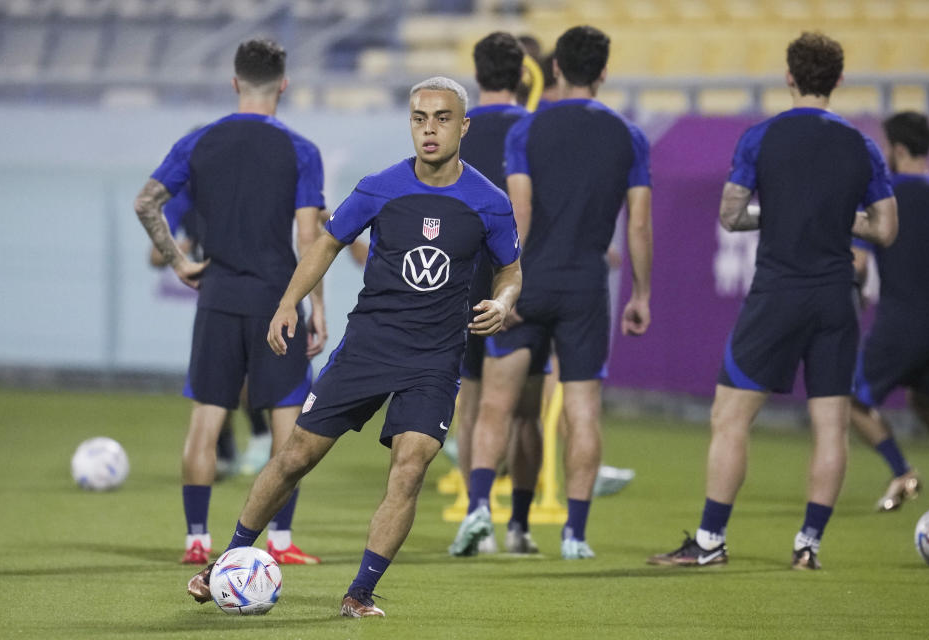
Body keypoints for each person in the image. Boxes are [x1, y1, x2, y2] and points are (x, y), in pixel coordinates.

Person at [186, 76, 522, 618]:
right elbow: (328, 241)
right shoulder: (380, 187)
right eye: (418, 118)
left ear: (464, 125)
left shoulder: (490, 201)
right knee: (294, 456)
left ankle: (359, 594)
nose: (429, 129)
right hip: (369, 346)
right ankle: (227, 559)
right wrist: (286, 304)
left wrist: (504, 303)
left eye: (441, 118)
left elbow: (510, 269)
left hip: (434, 359)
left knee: (411, 465)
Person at [647, 32, 898, 571]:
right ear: (838, 81)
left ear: (789, 77)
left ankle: (711, 542)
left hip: (778, 294)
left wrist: (778, 212)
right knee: (832, 426)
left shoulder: (761, 137)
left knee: (731, 417)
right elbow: (886, 229)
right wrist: (836, 219)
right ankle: (808, 545)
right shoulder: (864, 145)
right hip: (836, 298)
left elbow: (732, 214)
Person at [450, 25, 653, 560]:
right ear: (605, 71)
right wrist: (642, 295)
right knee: (579, 410)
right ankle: (573, 534)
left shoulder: (528, 132)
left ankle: (477, 514)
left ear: (555, 69)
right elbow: (637, 227)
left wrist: (505, 288)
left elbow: (520, 215)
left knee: (496, 405)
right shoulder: (629, 136)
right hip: (586, 287)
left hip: (530, 283)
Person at [134, 38, 326, 566]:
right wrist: (320, 312)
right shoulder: (301, 150)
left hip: (217, 296)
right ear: (283, 84)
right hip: (278, 301)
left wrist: (175, 260)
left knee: (207, 420)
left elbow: (146, 201)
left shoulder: (200, 143)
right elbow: (310, 241)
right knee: (289, 429)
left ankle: (197, 540)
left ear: (235, 82)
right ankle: (280, 544)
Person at [453, 32, 537, 555]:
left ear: (477, 74)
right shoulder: (535, 131)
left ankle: (474, 513)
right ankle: (518, 524)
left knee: (471, 407)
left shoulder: (454, 132)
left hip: (458, 286)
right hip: (518, 285)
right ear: (523, 76)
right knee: (522, 412)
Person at [850, 111, 929, 511]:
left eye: (886, 145)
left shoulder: (884, 194)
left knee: (849, 400)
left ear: (899, 149)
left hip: (902, 317)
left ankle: (901, 471)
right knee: (925, 405)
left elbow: (857, 262)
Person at [148, 182, 275, 480]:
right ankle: (226, 450)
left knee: (242, 373)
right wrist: (177, 251)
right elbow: (155, 257)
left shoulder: (243, 194)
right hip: (214, 298)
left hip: (253, 293)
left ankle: (260, 435)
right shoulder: (182, 202)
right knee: (213, 379)